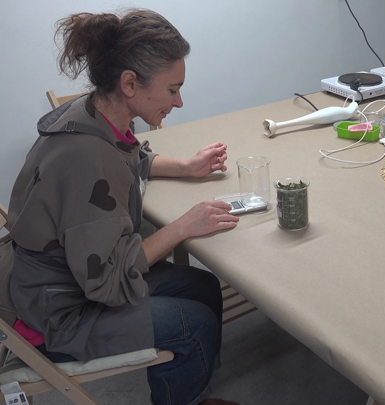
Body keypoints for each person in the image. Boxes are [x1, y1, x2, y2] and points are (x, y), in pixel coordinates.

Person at [7, 9, 241, 405]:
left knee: (202, 286)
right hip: (59, 315)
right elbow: (108, 279)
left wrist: (187, 167)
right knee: (194, 323)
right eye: (172, 90)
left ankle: (192, 392)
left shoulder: (93, 113)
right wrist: (181, 227)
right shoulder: (86, 158)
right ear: (130, 83)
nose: (179, 101)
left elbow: (130, 156)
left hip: (59, 282)